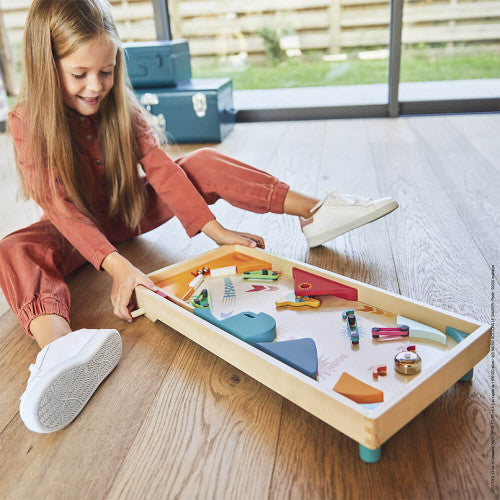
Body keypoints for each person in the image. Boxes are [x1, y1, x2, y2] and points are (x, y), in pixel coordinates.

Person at [2, 0, 398, 434]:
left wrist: (216, 232)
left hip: (129, 211)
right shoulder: (25, 121)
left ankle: (315, 212)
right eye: (80, 75)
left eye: (107, 71)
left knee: (201, 161)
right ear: (45, 66)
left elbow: (161, 171)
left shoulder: (121, 108)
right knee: (15, 248)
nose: (96, 86)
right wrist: (119, 267)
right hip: (76, 230)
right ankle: (60, 349)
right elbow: (60, 207)